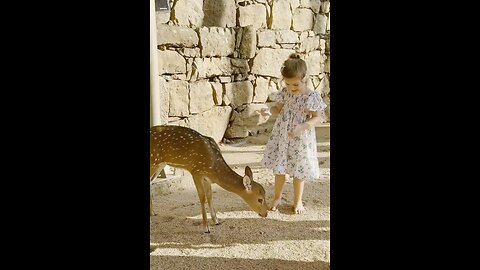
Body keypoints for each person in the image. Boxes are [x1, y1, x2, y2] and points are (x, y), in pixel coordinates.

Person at [259, 53, 327, 214]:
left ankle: (298, 201)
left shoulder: (311, 97)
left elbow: (318, 118)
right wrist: (269, 111)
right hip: (282, 135)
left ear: (304, 79)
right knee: (280, 168)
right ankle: (277, 197)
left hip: (301, 138)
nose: (291, 88)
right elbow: (279, 109)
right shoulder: (285, 92)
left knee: (299, 170)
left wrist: (302, 127)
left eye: (295, 85)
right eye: (287, 84)